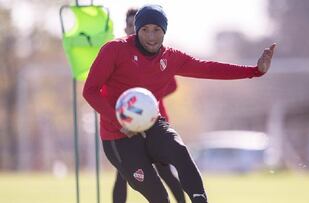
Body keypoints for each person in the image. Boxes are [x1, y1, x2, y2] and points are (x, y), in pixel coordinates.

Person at [83, 4, 276, 203]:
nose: (151, 36)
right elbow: (90, 91)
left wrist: (255, 71)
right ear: (137, 30)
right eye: (145, 30)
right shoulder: (114, 50)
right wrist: (119, 121)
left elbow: (208, 69)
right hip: (118, 136)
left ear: (164, 31)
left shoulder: (171, 57)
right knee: (159, 196)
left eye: (156, 30)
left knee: (179, 151)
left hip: (151, 125)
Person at [112, 7, 185, 203]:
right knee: (123, 172)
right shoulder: (119, 52)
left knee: (166, 172)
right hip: (129, 123)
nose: (132, 30)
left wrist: (146, 101)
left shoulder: (155, 54)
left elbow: (172, 85)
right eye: (129, 25)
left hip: (153, 122)